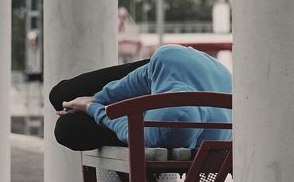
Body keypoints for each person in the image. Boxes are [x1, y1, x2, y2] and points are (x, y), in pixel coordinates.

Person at [50, 44, 232, 151]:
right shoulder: (166, 62)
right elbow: (135, 82)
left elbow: (130, 130)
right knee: (61, 99)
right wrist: (96, 99)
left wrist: (90, 107)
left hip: (188, 68)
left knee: (66, 126)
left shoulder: (165, 132)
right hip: (177, 69)